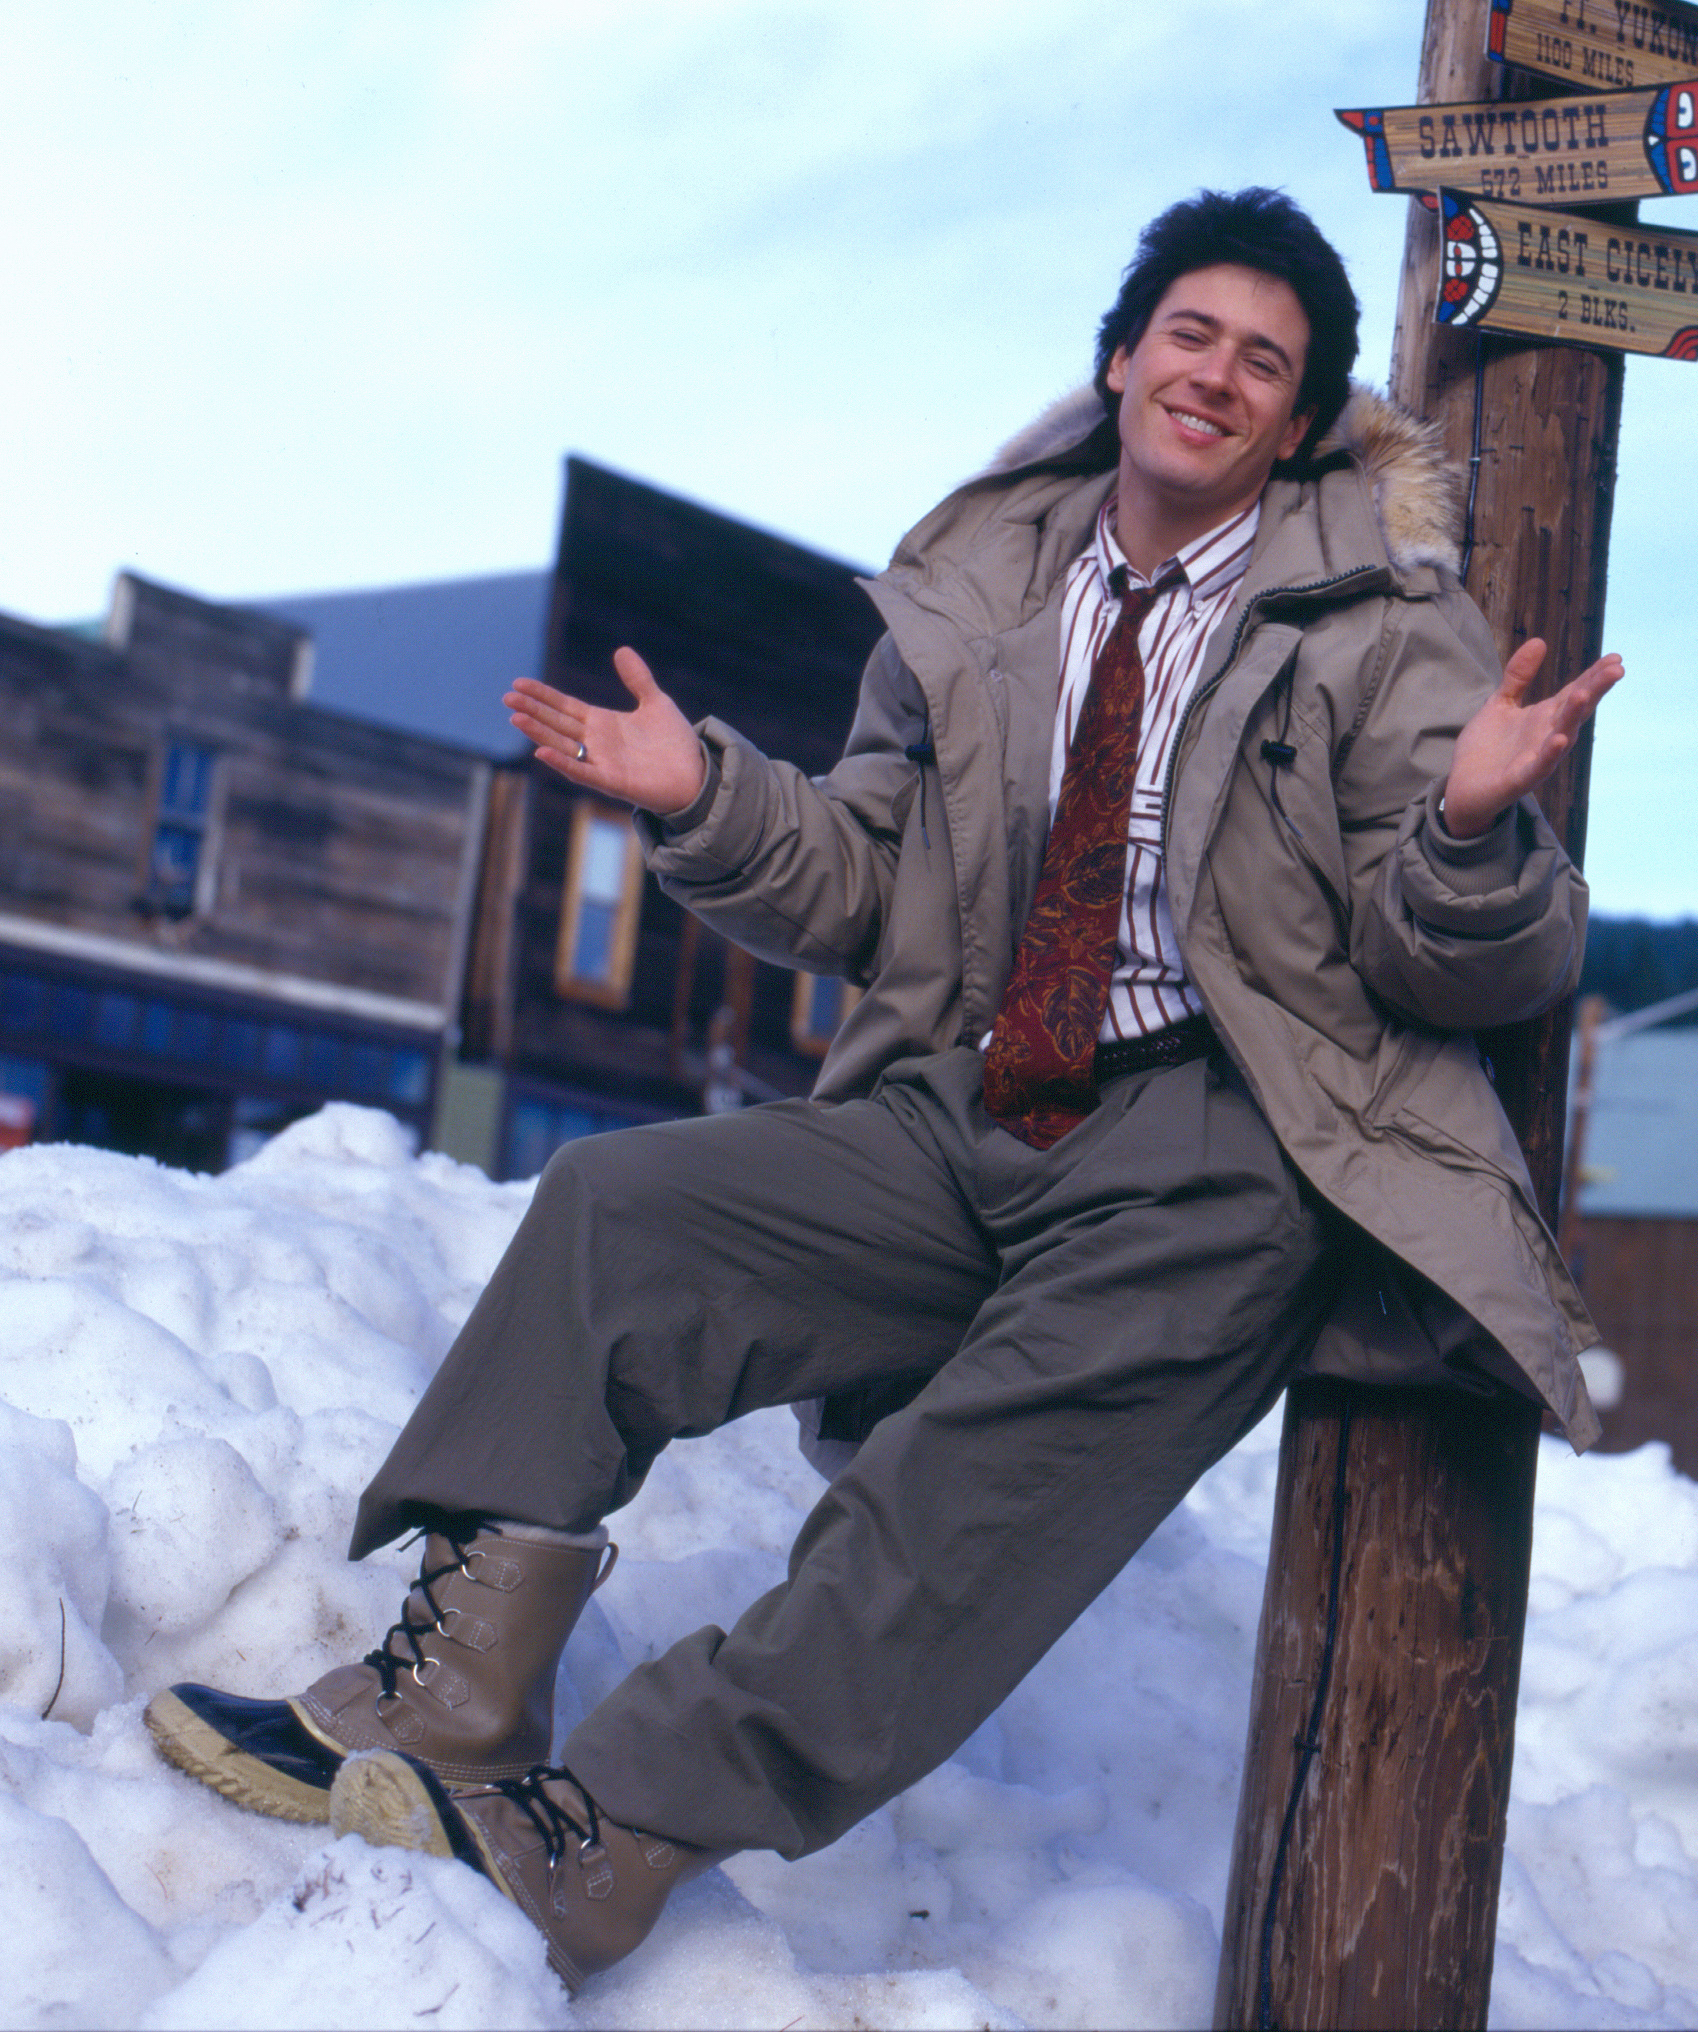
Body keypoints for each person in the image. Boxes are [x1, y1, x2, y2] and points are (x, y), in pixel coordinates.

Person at [145, 187, 1621, 1992]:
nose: (1217, 376)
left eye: (1265, 362)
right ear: (1119, 358)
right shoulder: (979, 588)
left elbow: (1462, 957)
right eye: (1190, 335)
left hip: (1228, 1144)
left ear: (1299, 425)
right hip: (977, 1096)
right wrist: (702, 799)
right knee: (625, 1216)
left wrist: (1471, 829)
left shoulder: (1383, 626)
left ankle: (610, 1830)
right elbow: (864, 881)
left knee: (966, 1488)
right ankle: (452, 1688)